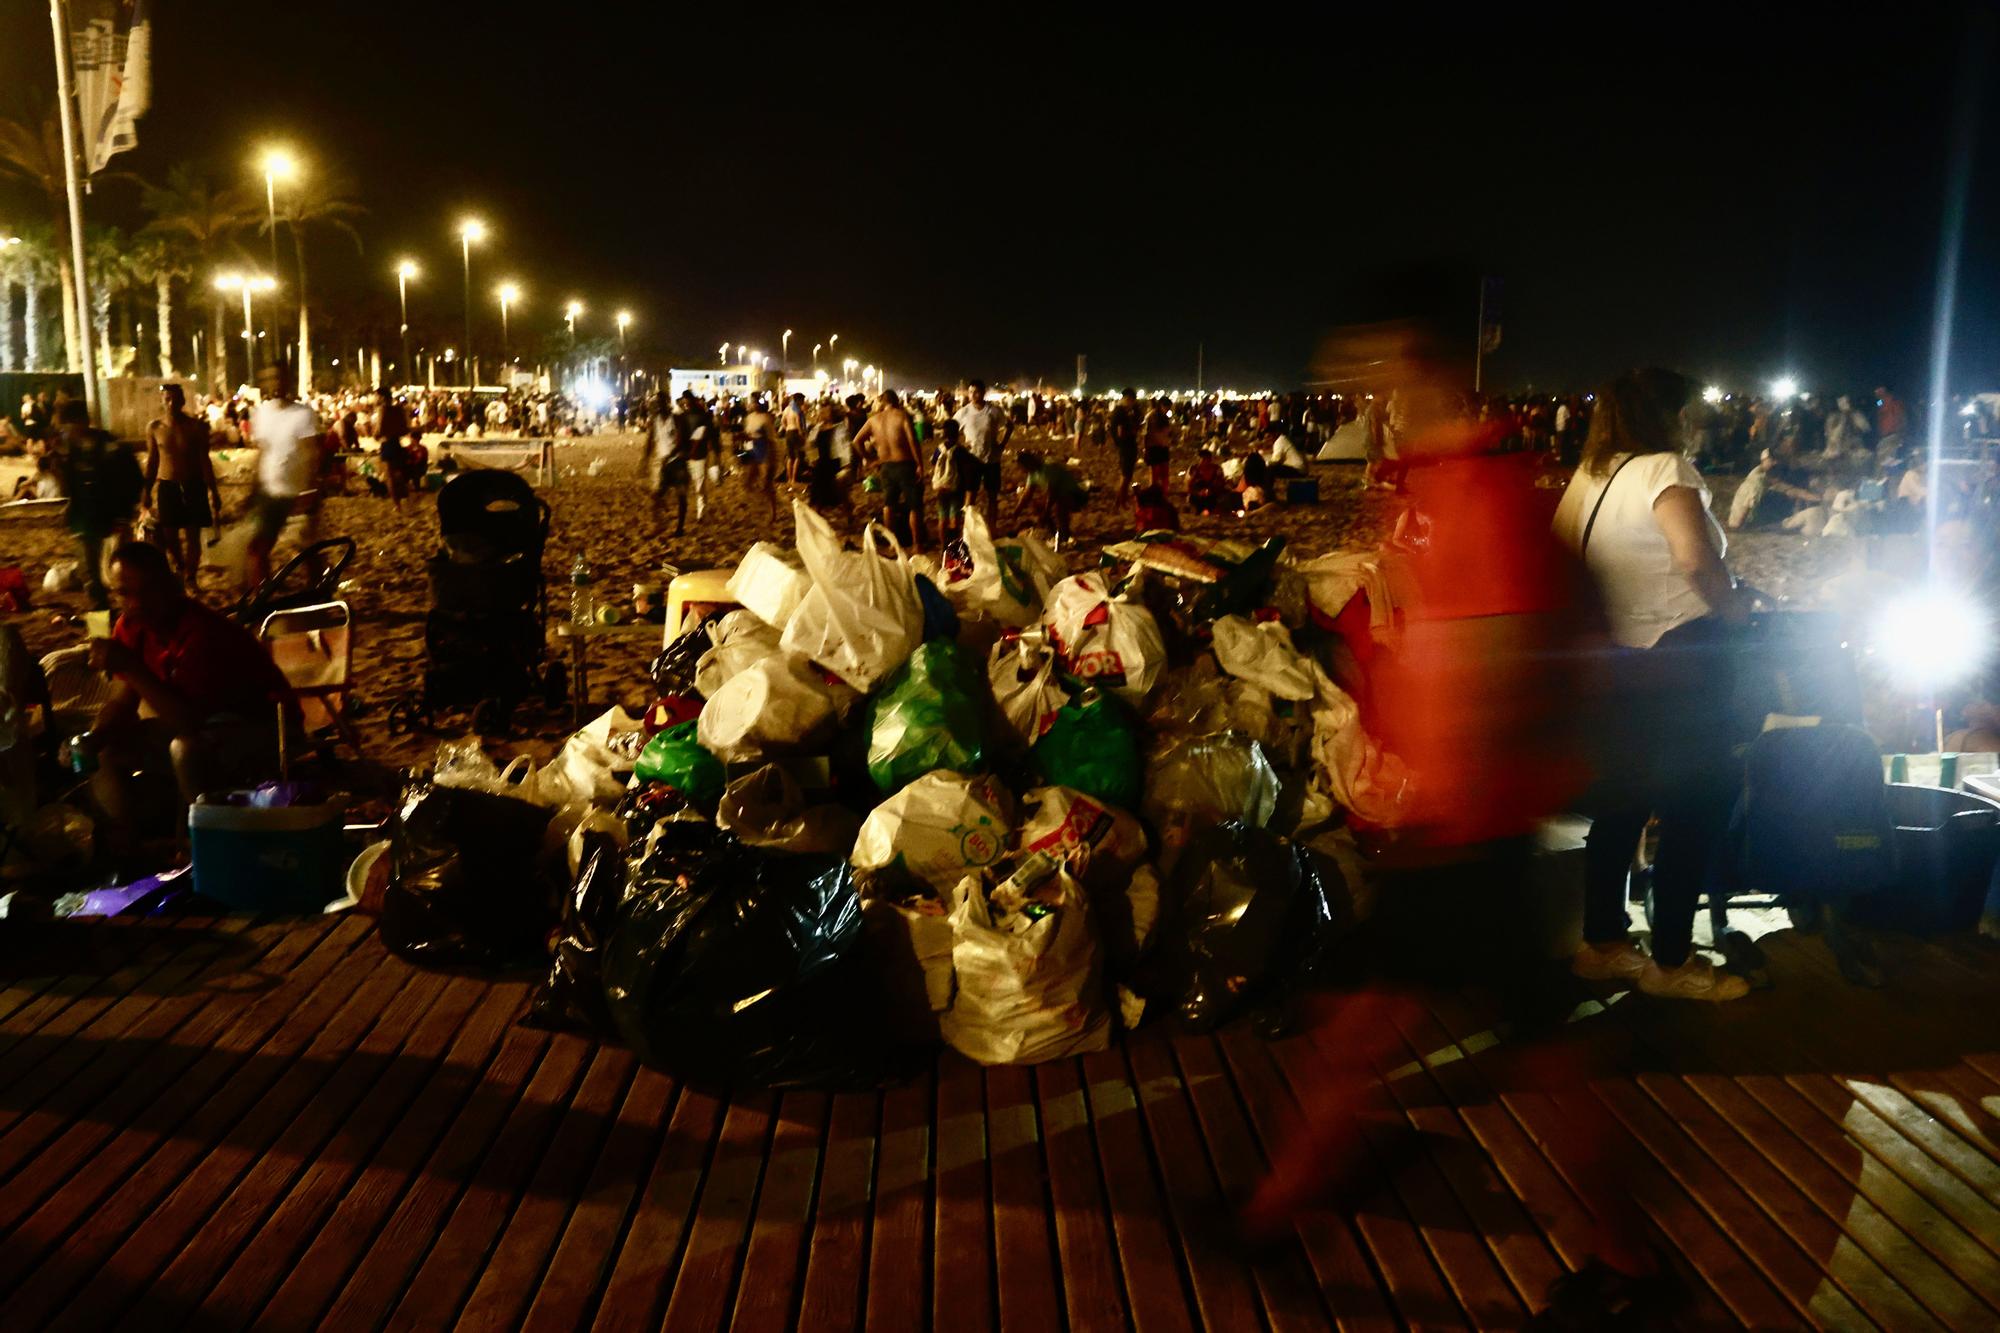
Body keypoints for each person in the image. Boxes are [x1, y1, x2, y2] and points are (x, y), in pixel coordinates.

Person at [1551, 367, 1749, 1002]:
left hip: (1618, 661)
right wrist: (1737, 608)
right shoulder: (1667, 468)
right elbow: (1695, 560)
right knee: (1695, 805)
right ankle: (1671, 961)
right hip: (1681, 657)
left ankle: (1604, 944)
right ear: (1668, 415)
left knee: (1621, 804)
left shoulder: (1589, 476)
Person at [83, 540, 298, 850]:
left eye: (146, 591)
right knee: (104, 747)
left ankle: (213, 847)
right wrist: (93, 736)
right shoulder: (132, 626)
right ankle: (124, 845)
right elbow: (122, 700)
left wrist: (130, 667)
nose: (135, 603)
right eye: (124, 594)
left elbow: (188, 721)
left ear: (170, 586)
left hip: (265, 726)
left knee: (185, 749)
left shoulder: (200, 631)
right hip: (208, 727)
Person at [48, 400, 142, 610]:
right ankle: (101, 622)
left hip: (113, 518)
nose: (64, 431)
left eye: (66, 426)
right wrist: (58, 472)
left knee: (122, 574)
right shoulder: (70, 452)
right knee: (90, 577)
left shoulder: (111, 447)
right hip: (84, 520)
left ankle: (131, 617)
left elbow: (134, 480)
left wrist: (124, 515)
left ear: (81, 422)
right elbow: (69, 488)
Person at [245, 364, 322, 592]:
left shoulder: (303, 413)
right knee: (258, 548)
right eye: (269, 378)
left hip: (297, 491)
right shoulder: (261, 413)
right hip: (269, 491)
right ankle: (265, 594)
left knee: (306, 549)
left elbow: (312, 451)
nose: (275, 382)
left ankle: (316, 591)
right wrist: (254, 487)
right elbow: (263, 451)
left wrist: (310, 488)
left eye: (279, 377)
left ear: (287, 380)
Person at [142, 384, 221, 593]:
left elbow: (205, 461)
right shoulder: (155, 428)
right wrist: (146, 491)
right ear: (162, 400)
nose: (171, 404)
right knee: (169, 535)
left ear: (182, 401)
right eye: (167, 399)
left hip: (193, 485)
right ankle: (180, 565)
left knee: (193, 534)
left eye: (175, 399)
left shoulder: (196, 427)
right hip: (168, 486)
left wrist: (213, 491)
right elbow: (152, 461)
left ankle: (191, 576)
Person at [854, 389, 928, 551]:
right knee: (914, 506)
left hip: (885, 466)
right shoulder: (901, 416)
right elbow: (912, 440)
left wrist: (869, 458)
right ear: (896, 401)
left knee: (889, 505)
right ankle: (917, 544)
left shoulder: (874, 420)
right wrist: (919, 464)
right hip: (904, 464)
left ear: (883, 402)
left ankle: (892, 544)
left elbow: (857, 441)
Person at [952, 379, 1012, 528]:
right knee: (970, 495)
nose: (973, 395)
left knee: (992, 496)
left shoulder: (993, 410)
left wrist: (1002, 444)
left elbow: (1009, 426)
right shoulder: (964, 412)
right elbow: (951, 429)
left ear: (983, 393)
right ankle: (969, 529)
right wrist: (959, 445)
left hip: (992, 459)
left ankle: (992, 528)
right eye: (971, 392)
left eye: (976, 392)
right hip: (971, 460)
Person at [1009, 449, 1084, 543]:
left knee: (1058, 506)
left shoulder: (1047, 468)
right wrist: (1017, 511)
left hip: (1074, 495)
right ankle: (1053, 532)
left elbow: (1052, 493)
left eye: (1021, 466)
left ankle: (1064, 534)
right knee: (1037, 506)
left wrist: (1046, 511)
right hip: (1058, 495)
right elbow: (1027, 495)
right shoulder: (1033, 473)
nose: (1021, 469)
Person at [649, 391, 692, 536]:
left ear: (667, 402)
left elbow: (681, 440)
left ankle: (680, 528)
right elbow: (651, 440)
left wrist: (670, 455)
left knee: (681, 495)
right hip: (664, 462)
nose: (658, 405)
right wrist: (646, 458)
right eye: (656, 403)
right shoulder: (655, 420)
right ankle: (661, 523)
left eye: (660, 402)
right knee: (657, 495)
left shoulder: (677, 419)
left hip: (677, 461)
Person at [737, 395, 780, 521]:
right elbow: (748, 433)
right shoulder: (749, 417)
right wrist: (742, 436)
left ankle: (773, 511)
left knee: (767, 484)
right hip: (751, 450)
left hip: (764, 450)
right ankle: (756, 506)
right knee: (748, 481)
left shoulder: (765, 418)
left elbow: (771, 439)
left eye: (754, 402)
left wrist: (771, 456)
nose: (752, 404)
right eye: (751, 402)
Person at [1107, 387, 1141, 490]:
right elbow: (1120, 432)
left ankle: (1122, 499)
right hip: (1126, 446)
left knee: (1128, 474)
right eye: (1132, 400)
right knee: (1126, 475)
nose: (1133, 403)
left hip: (1128, 444)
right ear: (1127, 398)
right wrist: (1132, 431)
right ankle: (1120, 500)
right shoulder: (1120, 412)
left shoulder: (1126, 411)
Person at [1186, 447, 1233, 514]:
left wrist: (1212, 489)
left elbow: (1221, 483)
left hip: (1213, 494)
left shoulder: (1216, 469)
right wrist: (1198, 492)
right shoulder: (1194, 469)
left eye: (1207, 459)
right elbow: (1188, 485)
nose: (1204, 461)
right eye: (1203, 459)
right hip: (1198, 495)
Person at [1143, 398, 1174, 489]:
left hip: (1164, 447)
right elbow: (1145, 434)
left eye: (1169, 408)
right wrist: (1145, 449)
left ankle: (1164, 493)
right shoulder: (1151, 416)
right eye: (1166, 407)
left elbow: (1168, 432)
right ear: (1160, 406)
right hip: (1153, 448)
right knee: (1154, 474)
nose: (1168, 410)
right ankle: (1153, 494)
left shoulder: (1165, 417)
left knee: (1165, 473)